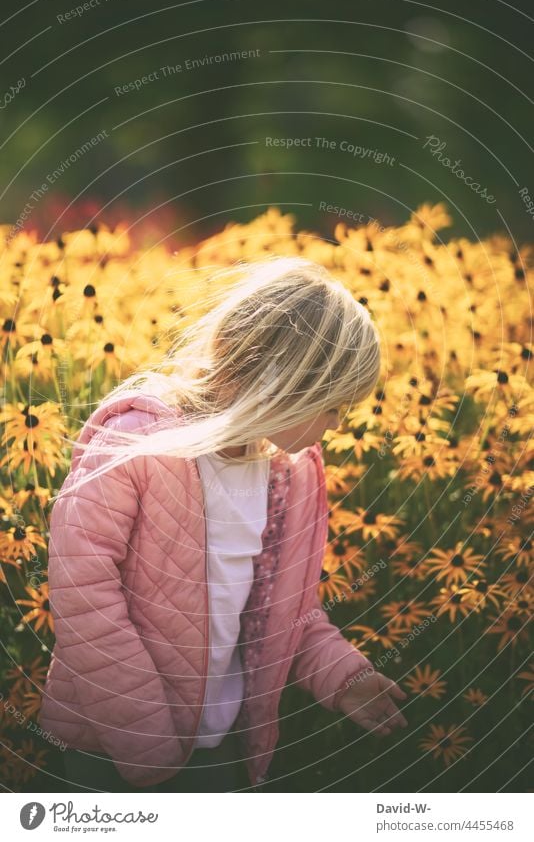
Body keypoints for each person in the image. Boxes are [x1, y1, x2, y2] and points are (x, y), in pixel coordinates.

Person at [38, 254, 407, 793]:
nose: (335, 428)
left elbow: (280, 612)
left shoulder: (286, 474)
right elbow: (82, 588)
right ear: (285, 383)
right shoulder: (142, 438)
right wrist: (146, 738)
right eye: (333, 409)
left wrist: (342, 676)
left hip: (222, 745)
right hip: (111, 748)